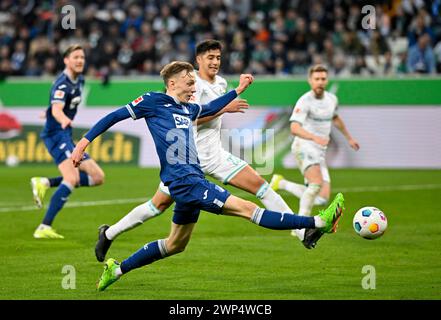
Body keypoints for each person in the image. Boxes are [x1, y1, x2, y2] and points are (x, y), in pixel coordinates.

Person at [71, 61, 345, 291]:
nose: (193, 89)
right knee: (249, 209)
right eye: (189, 84)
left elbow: (212, 107)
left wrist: (238, 89)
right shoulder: (153, 101)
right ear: (173, 83)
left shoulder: (188, 109)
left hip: (191, 180)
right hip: (186, 183)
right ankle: (317, 221)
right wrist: (84, 142)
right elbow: (114, 116)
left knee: (175, 244)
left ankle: (116, 270)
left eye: (194, 84)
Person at [93, 39, 304, 261]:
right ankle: (109, 233)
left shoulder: (221, 83)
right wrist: (224, 109)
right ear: (198, 60)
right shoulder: (191, 85)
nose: (215, 62)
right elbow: (187, 119)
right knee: (157, 206)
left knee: (261, 186)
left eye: (218, 57)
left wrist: (227, 101)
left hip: (214, 155)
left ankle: (301, 231)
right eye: (210, 58)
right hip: (190, 158)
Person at [270, 64, 359, 249]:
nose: (320, 82)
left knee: (322, 198)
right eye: (316, 79)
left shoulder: (332, 99)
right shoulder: (304, 101)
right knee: (316, 185)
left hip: (319, 151)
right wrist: (314, 137)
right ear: (310, 80)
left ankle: (282, 184)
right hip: (304, 146)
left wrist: (349, 137)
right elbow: (294, 128)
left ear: (327, 80)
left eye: (323, 79)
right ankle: (299, 226)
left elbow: (335, 118)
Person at [31, 44, 105, 239]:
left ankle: (45, 182)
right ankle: (44, 227)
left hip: (65, 134)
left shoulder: (79, 79)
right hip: (56, 135)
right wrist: (61, 118)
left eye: (82, 57)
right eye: (76, 57)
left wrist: (48, 113)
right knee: (71, 178)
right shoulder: (62, 84)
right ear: (66, 60)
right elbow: (57, 109)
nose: (80, 60)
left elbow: (53, 107)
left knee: (98, 177)